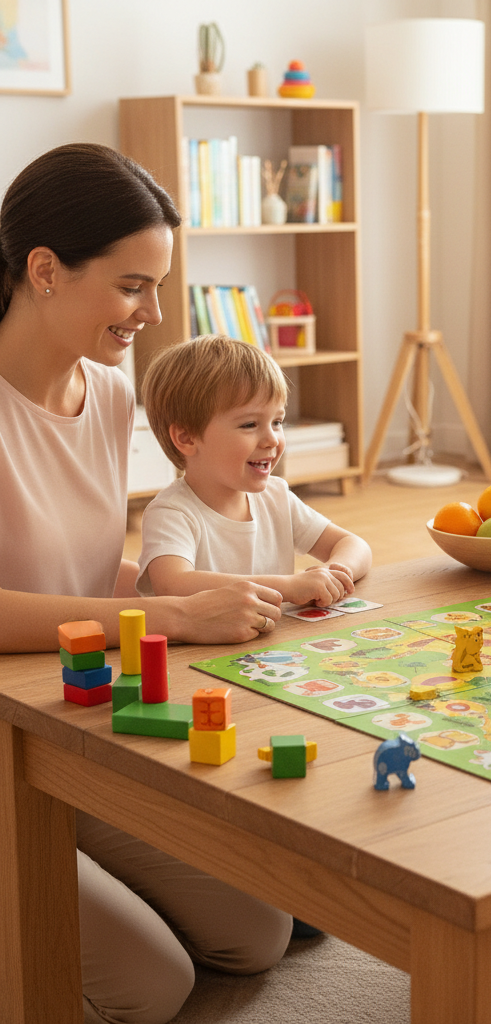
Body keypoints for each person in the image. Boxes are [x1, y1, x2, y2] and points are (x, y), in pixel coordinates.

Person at [0, 143, 293, 1024]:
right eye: (134, 286)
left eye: (158, 286)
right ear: (45, 271)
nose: (154, 312)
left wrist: (220, 588)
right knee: (149, 988)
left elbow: (77, 567)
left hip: (67, 713)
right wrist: (169, 612)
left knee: (257, 932)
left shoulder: (111, 392)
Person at [137, 334, 371, 603]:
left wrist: (333, 573)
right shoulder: (171, 513)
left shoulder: (276, 496)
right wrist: (287, 586)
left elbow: (355, 545)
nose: (272, 439)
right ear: (187, 438)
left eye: (277, 422)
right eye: (249, 424)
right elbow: (174, 584)